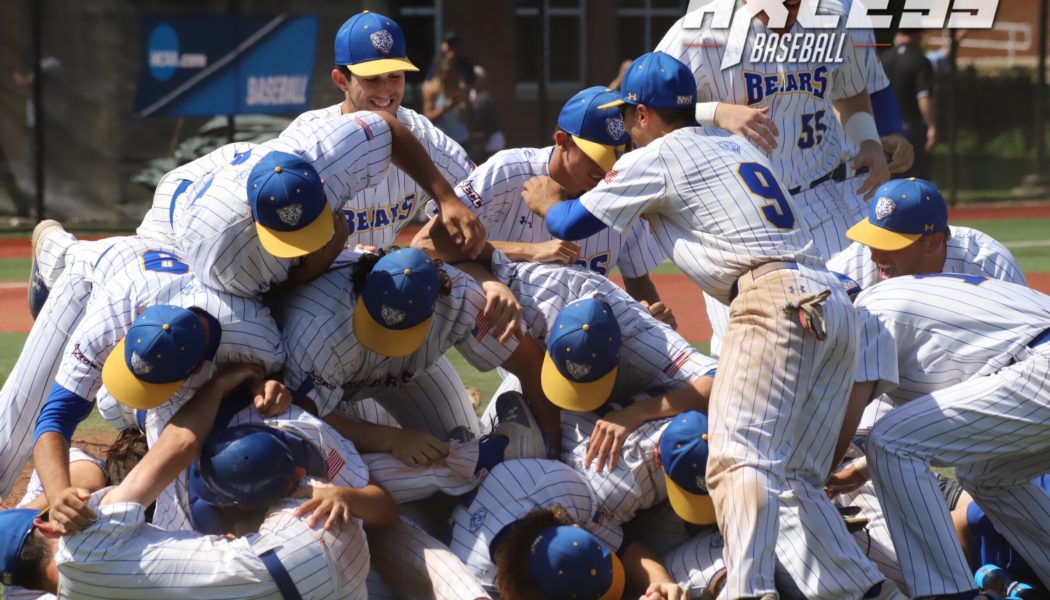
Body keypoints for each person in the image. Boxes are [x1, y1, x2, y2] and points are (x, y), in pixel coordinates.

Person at [522, 51, 890, 599]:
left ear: (644, 114)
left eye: (629, 116)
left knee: (735, 460)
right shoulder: (731, 143)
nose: (626, 129)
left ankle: (750, 592)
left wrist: (548, 199)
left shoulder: (662, 152)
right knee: (793, 479)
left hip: (771, 301)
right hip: (828, 298)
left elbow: (572, 221)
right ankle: (864, 591)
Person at [0, 364, 396, 599]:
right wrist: (221, 383)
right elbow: (181, 444)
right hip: (315, 536)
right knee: (249, 466)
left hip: (331, 589)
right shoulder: (84, 540)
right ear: (48, 526)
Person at [0, 237, 287, 535]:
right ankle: (56, 252)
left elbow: (272, 384)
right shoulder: (110, 316)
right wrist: (59, 493)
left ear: (198, 367)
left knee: (145, 413)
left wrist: (262, 385)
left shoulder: (257, 336)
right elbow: (55, 416)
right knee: (23, 408)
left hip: (171, 287)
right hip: (93, 277)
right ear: (131, 327)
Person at [844, 274, 1050, 599]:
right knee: (983, 474)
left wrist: (813, 470)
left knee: (888, 441)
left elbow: (851, 424)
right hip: (1035, 367)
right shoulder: (925, 322)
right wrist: (861, 469)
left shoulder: (864, 317)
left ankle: (949, 593)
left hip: (1041, 367)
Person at [413, 86, 671, 326]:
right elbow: (425, 245)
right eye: (596, 156)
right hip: (512, 328)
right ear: (562, 140)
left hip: (584, 331)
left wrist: (652, 320)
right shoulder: (509, 171)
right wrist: (529, 251)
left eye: (617, 155)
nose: (605, 169)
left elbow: (638, 282)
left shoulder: (622, 187)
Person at [275, 247, 550, 450]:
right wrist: (390, 439)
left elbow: (530, 364)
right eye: (378, 325)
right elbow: (305, 418)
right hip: (334, 387)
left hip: (408, 373)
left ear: (436, 303)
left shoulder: (459, 297)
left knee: (459, 448)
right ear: (365, 282)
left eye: (397, 334)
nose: (385, 344)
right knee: (357, 464)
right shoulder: (315, 324)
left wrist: (553, 454)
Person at [828, 178, 1025, 288]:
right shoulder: (855, 263)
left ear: (932, 242)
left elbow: (1034, 334)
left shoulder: (989, 265)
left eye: (890, 244)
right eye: (873, 240)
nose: (875, 255)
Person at [882, 30, 937, 180]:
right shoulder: (920, 60)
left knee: (889, 178)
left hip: (884, 129)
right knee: (915, 180)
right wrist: (931, 125)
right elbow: (924, 97)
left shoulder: (882, 58)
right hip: (911, 128)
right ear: (917, 36)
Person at [423, 57, 472, 151]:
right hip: (442, 142)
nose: (450, 77)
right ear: (441, 73)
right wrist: (445, 107)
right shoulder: (432, 90)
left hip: (461, 140)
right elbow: (427, 117)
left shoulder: (461, 89)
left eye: (452, 73)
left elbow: (467, 117)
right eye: (447, 73)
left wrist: (462, 106)